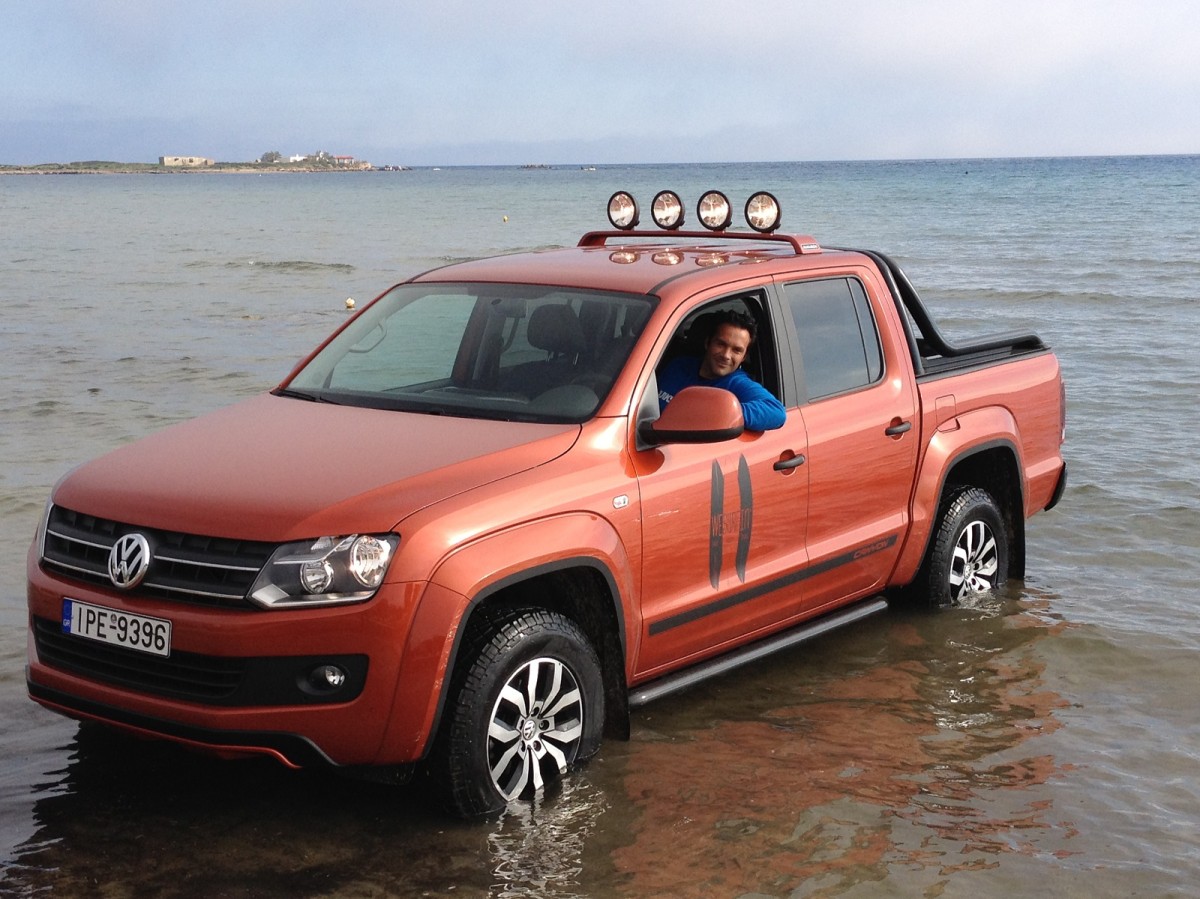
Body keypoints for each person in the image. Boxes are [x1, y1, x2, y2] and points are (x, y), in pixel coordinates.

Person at [657, 309, 787, 431]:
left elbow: (776, 411)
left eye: (736, 350)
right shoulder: (678, 366)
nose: (726, 355)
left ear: (743, 357)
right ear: (708, 343)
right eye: (721, 344)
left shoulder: (737, 383)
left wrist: (724, 412)